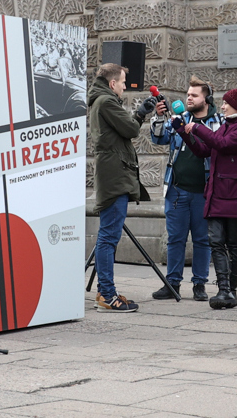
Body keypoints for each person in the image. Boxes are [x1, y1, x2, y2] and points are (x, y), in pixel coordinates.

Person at [178, 87, 237, 309]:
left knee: (233, 244)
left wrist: (199, 127)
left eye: (226, 103)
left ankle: (231, 291)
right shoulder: (227, 125)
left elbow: (222, 144)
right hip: (218, 193)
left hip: (236, 195)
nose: (222, 107)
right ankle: (223, 290)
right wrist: (184, 132)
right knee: (215, 241)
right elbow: (205, 150)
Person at [150, 78, 220, 302]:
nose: (189, 98)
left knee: (202, 240)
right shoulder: (180, 118)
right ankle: (173, 284)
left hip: (204, 192)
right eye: (188, 94)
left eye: (194, 95)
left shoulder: (218, 122)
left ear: (206, 99)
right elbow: (159, 138)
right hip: (177, 190)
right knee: (175, 238)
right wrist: (159, 116)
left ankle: (199, 284)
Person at [89, 63, 151, 313]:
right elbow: (131, 129)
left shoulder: (100, 100)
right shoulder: (106, 101)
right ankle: (107, 294)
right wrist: (141, 113)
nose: (126, 86)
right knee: (108, 237)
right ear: (112, 83)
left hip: (114, 173)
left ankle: (105, 291)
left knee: (108, 236)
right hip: (115, 175)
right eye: (123, 81)